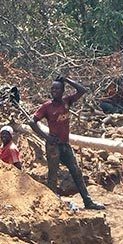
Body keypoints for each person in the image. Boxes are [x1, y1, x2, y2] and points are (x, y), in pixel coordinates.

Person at [30, 77, 105, 210]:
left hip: (65, 144)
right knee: (53, 174)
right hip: (54, 145)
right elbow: (32, 122)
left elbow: (82, 90)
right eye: (52, 88)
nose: (54, 91)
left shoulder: (66, 102)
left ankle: (88, 202)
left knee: (76, 171)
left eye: (57, 88)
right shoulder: (47, 106)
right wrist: (46, 137)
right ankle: (52, 204)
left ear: (63, 90)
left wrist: (67, 80)